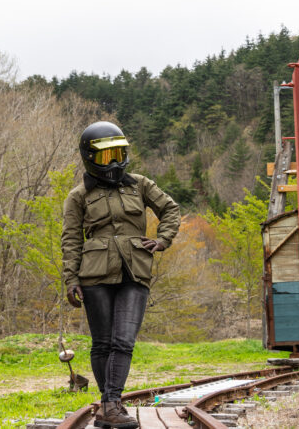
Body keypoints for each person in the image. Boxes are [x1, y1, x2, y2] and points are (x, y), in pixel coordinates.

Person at [61, 121, 181, 428]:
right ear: (89, 157)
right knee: (102, 343)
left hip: (135, 271)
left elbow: (170, 209)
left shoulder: (140, 184)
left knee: (123, 340)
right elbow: (71, 240)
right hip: (95, 275)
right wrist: (71, 280)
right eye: (104, 156)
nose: (113, 163)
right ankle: (109, 407)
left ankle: (110, 404)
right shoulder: (78, 196)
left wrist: (163, 239)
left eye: (118, 154)